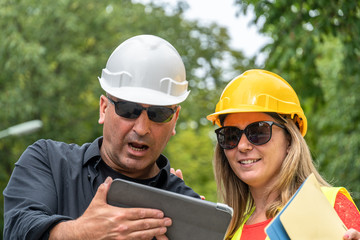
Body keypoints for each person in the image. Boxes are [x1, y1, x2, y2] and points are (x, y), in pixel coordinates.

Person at [3, 34, 200, 240]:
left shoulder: (188, 208)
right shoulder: (49, 162)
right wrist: (82, 233)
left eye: (158, 114)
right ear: (104, 109)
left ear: (174, 120)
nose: (142, 128)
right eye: (129, 110)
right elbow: (18, 229)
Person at [206, 69, 360, 240]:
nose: (242, 146)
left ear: (289, 139)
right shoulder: (228, 235)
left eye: (258, 132)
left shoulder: (329, 204)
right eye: (230, 135)